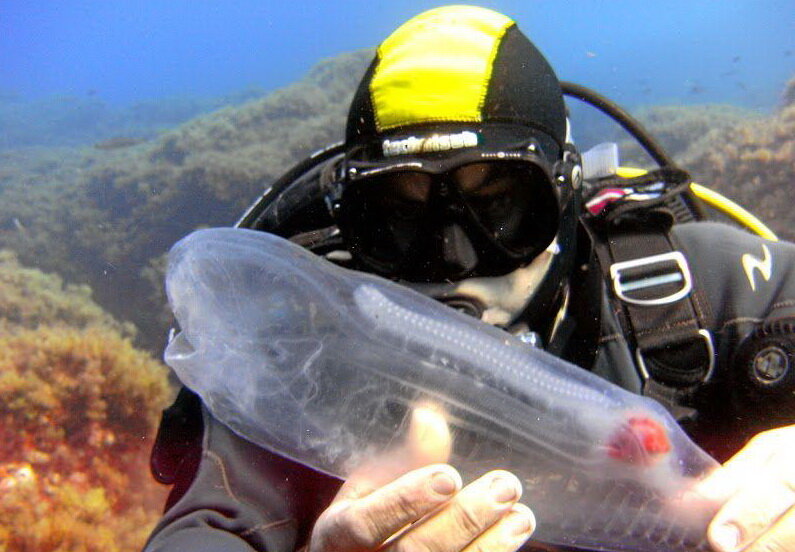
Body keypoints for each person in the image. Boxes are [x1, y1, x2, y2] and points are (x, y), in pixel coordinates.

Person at [143, 6, 795, 552]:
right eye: (399, 216)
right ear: (353, 225)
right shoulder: (300, 359)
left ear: (565, 198)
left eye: (501, 206)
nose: (453, 257)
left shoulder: (706, 288)